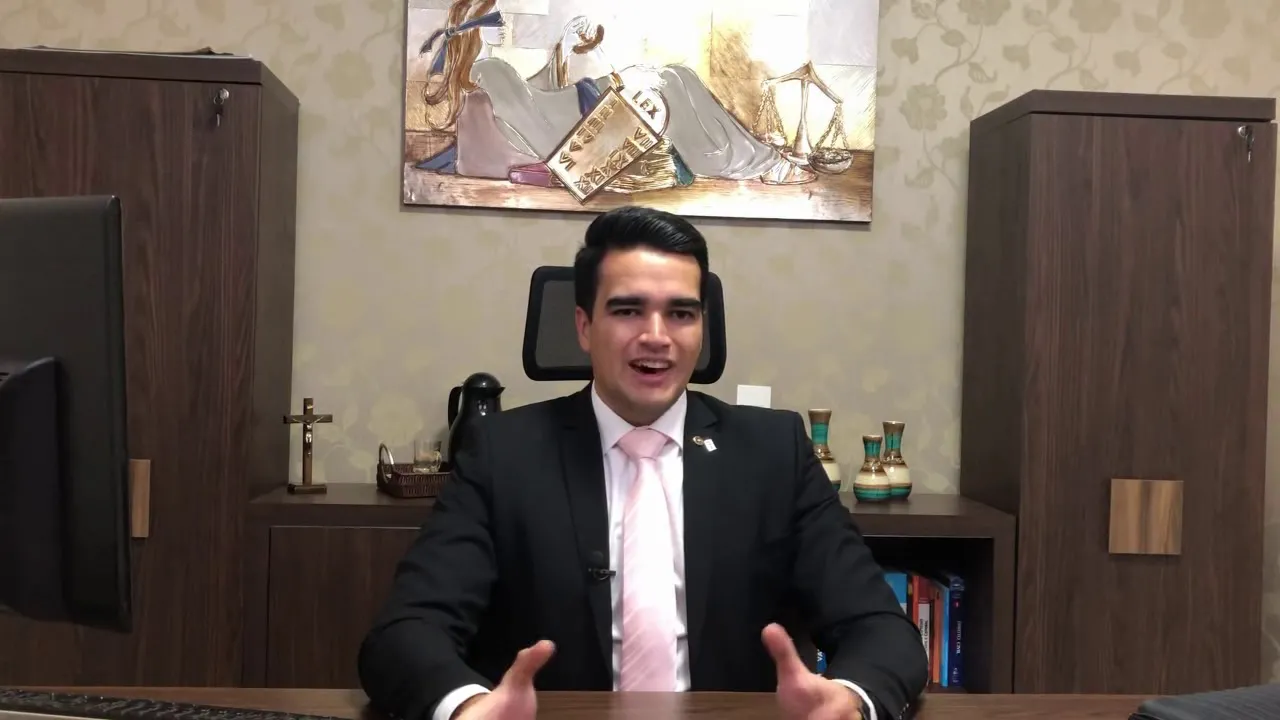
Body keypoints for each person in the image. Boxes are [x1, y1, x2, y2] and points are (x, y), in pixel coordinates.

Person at [357, 206, 929, 720]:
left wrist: (851, 699)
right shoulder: (503, 454)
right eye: (628, 310)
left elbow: (880, 628)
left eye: (681, 313)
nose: (656, 337)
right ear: (584, 327)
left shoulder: (774, 451)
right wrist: (466, 707)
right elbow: (406, 632)